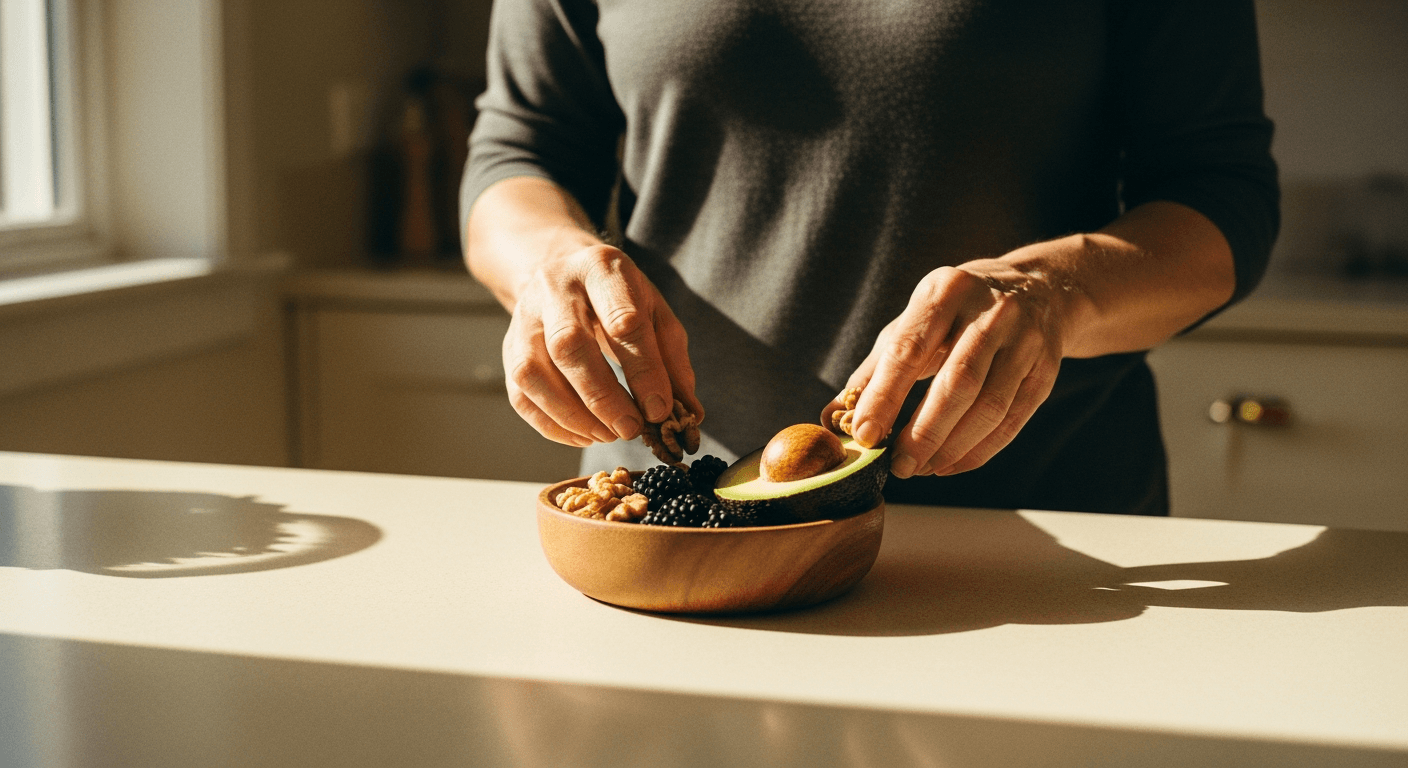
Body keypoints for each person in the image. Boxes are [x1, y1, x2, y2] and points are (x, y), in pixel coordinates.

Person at [461, 0, 1279, 516]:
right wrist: (549, 260)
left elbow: (1225, 201)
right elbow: (514, 151)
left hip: (1034, 532)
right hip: (671, 524)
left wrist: (1052, 292)